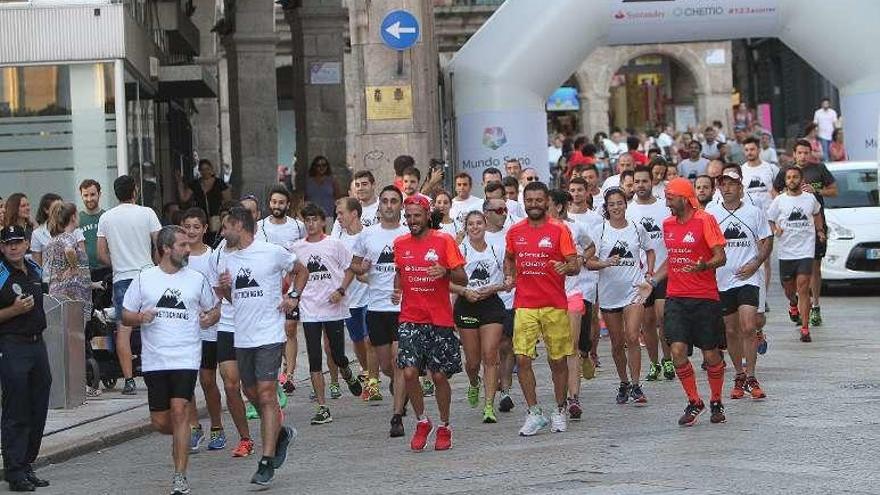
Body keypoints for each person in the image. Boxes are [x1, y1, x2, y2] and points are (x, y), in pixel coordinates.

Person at [120, 225, 219, 495]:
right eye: (182, 245)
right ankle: (180, 437)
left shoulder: (196, 279)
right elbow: (125, 314)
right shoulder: (145, 278)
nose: (188, 249)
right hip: (155, 360)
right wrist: (141, 318)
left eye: (188, 245)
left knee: (179, 411)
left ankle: (180, 476)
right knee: (162, 423)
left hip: (186, 356)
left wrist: (209, 318)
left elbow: (214, 310)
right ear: (165, 249)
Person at [215, 207, 301, 485]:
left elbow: (301, 270)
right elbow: (232, 298)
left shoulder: (271, 251)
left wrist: (293, 297)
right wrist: (225, 288)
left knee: (266, 393)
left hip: (269, 334)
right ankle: (281, 433)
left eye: (226, 226)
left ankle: (266, 460)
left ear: (239, 225)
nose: (222, 231)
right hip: (243, 336)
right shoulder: (226, 257)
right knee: (250, 391)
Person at [643, 178, 728, 426]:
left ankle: (715, 400)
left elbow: (720, 257)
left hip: (705, 298)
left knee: (711, 354)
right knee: (677, 351)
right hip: (676, 297)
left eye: (670, 198)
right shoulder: (667, 224)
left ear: (684, 198)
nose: (667, 202)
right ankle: (694, 401)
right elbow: (671, 259)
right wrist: (653, 281)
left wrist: (704, 265)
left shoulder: (705, 220)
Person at [503, 181, 579, 436]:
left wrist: (566, 267)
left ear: (547, 202)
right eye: (530, 200)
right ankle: (534, 413)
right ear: (524, 202)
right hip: (524, 304)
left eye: (538, 200)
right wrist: (509, 275)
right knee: (522, 359)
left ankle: (559, 409)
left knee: (557, 361)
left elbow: (575, 264)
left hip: (554, 305)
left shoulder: (559, 229)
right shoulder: (515, 231)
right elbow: (509, 257)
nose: (534, 205)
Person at [392, 194, 466, 451]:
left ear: (427, 216)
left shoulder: (443, 240)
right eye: (409, 216)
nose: (412, 221)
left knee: (438, 376)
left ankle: (444, 425)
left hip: (440, 318)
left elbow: (463, 278)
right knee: (410, 372)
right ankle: (422, 421)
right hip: (410, 317)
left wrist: (445, 271)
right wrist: (397, 290)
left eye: (417, 216)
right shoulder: (400, 244)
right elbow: (400, 272)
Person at [292, 203, 363, 425]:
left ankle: (346, 371)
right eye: (307, 220)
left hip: (333, 307)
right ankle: (323, 407)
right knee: (314, 357)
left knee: (336, 353)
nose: (311, 224)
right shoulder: (296, 248)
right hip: (310, 308)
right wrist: (292, 295)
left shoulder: (335, 244)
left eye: (315, 219)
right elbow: (291, 274)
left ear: (323, 222)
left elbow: (351, 267)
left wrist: (341, 290)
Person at [349, 186, 410, 436]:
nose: (388, 205)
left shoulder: (408, 233)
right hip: (375, 308)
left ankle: (396, 417)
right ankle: (399, 388)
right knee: (385, 365)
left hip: (403, 307)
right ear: (379, 206)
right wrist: (361, 268)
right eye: (384, 201)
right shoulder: (367, 235)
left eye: (394, 201)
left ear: (400, 206)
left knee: (398, 363)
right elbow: (353, 265)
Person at [707, 169, 772, 399]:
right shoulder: (711, 212)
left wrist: (756, 263)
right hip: (722, 280)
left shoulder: (754, 212)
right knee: (731, 331)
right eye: (723, 184)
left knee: (748, 326)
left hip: (748, 277)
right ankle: (739, 375)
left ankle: (752, 375)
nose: (727, 188)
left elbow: (766, 241)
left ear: (740, 187)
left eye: (731, 184)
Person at [97, 175, 162, 395]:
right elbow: (160, 243)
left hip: (122, 278)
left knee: (122, 330)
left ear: (115, 193)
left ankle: (129, 380)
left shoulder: (106, 218)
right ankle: (156, 374)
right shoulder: (147, 213)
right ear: (135, 191)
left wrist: (118, 264)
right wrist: (155, 263)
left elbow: (101, 253)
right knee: (153, 325)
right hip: (146, 274)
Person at [586, 188, 653, 404]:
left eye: (619, 203)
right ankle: (623, 382)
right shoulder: (600, 230)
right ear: (606, 207)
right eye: (611, 204)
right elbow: (588, 261)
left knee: (632, 336)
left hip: (633, 290)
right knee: (616, 342)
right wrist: (605, 262)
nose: (616, 207)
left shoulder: (636, 227)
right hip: (609, 294)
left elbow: (650, 250)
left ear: (626, 204)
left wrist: (649, 274)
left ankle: (636, 384)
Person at [0, 225, 52, 492]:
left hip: (37, 345)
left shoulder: (34, 269)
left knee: (37, 408)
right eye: (8, 243)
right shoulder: (0, 273)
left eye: (18, 242)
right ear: (2, 246)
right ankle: (14, 470)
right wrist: (14, 310)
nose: (13, 247)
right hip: (12, 346)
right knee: (16, 410)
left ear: (26, 243)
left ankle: (27, 464)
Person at [207, 203, 257, 458]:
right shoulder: (217, 254)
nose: (223, 232)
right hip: (227, 325)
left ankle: (270, 414)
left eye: (226, 227)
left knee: (251, 387)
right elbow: (217, 293)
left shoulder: (257, 250)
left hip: (253, 324)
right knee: (230, 384)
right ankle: (245, 438)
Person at [773, 139, 837, 327]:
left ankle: (815, 306)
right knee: (791, 276)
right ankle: (796, 303)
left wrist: (817, 190)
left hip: (815, 224)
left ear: (811, 153)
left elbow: (834, 190)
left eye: (806, 152)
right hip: (793, 229)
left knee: (815, 267)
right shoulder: (786, 171)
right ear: (794, 154)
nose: (803, 156)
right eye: (799, 152)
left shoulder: (819, 169)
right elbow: (774, 191)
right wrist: (787, 198)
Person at [450, 210, 507, 423]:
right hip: (466, 306)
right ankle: (474, 382)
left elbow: (511, 280)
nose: (475, 227)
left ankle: (489, 405)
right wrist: (464, 291)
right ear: (466, 227)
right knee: (473, 362)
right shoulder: (459, 250)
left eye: (478, 223)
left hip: (491, 305)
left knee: (490, 355)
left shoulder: (496, 249)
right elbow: (446, 281)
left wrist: (493, 288)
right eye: (471, 224)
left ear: (485, 225)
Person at [178, 208, 227, 453]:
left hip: (210, 328)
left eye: (197, 227)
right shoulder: (178, 258)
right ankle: (194, 427)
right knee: (185, 382)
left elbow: (222, 296)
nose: (192, 232)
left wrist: (212, 316)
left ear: (205, 229)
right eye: (187, 227)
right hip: (185, 329)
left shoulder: (213, 257)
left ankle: (217, 426)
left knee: (207, 379)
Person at [255, 185, 306, 394]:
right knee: (276, 331)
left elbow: (303, 253)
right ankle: (281, 366)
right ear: (269, 203)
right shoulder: (260, 227)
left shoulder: (298, 226)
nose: (277, 206)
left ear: (288, 204)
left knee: (290, 328)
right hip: (269, 288)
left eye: (281, 202)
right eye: (274, 202)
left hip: (292, 283)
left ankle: (290, 374)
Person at [547, 190, 593, 419]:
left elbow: (590, 246)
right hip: (548, 297)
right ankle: (561, 397)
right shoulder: (538, 231)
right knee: (556, 351)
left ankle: (574, 398)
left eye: (547, 204)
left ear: (558, 207)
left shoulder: (574, 227)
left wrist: (582, 259)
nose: (543, 208)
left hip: (572, 292)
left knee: (571, 346)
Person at [627, 167, 674, 382]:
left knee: (663, 317)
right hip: (640, 276)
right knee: (646, 322)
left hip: (664, 272)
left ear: (652, 182)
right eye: (637, 182)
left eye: (645, 181)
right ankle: (654, 363)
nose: (641, 185)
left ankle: (668, 360)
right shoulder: (628, 210)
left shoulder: (664, 207)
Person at [768, 166, 824, 343]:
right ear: (785, 181)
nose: (792, 180)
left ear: (801, 180)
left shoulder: (810, 199)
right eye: (789, 177)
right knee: (789, 289)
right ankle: (793, 304)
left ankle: (805, 329)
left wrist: (820, 230)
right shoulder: (779, 201)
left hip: (805, 250)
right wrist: (776, 229)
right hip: (786, 252)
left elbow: (817, 213)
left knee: (803, 287)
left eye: (795, 177)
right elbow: (769, 218)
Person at [333, 198, 374, 397]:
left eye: (341, 213)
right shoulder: (339, 240)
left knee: (369, 339)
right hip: (350, 299)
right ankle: (366, 372)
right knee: (358, 340)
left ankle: (373, 379)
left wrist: (367, 276)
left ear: (354, 214)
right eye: (337, 214)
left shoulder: (369, 235)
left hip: (369, 296)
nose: (338, 217)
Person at [481, 197, 517, 414]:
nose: (504, 213)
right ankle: (484, 386)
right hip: (482, 300)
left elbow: (516, 262)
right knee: (487, 352)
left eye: (505, 209)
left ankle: (505, 391)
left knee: (506, 345)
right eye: (499, 210)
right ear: (487, 213)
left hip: (509, 298)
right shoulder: (476, 234)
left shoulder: (511, 234)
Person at [44, 202, 92, 318]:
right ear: (73, 217)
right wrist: (74, 267)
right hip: (72, 298)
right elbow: (69, 250)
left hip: (58, 296)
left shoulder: (54, 240)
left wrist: (92, 284)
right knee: (74, 334)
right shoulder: (68, 237)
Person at [176, 159, 232, 244]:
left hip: (216, 218)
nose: (205, 171)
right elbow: (184, 198)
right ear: (199, 171)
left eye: (207, 169)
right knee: (202, 238)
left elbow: (228, 201)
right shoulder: (195, 184)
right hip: (200, 217)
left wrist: (223, 213)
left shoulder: (220, 183)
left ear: (211, 169)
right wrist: (179, 182)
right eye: (202, 169)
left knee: (216, 239)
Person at [331, 170, 379, 235]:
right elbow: (335, 236)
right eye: (357, 185)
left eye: (364, 184)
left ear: (373, 185)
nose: (360, 188)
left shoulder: (383, 207)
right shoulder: (347, 209)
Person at [78, 179, 108, 280]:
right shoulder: (76, 219)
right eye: (85, 195)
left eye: (92, 194)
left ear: (99, 194)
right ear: (81, 196)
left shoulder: (107, 217)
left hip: (106, 270)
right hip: (86, 272)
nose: (89, 199)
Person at [28, 193, 63, 267]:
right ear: (46, 210)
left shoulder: (71, 229)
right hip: (48, 277)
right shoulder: (37, 234)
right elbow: (37, 265)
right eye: (56, 208)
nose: (60, 210)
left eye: (62, 207)